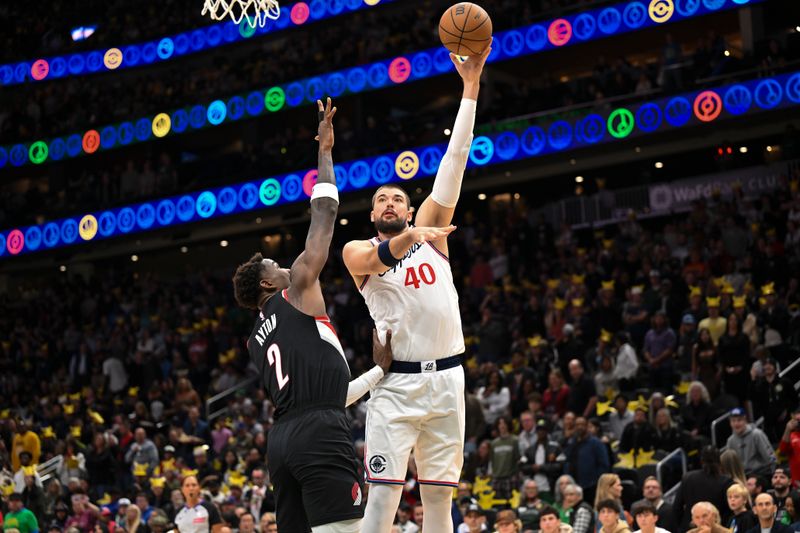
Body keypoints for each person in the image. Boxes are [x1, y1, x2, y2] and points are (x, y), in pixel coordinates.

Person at [341, 43, 492, 532]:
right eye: (380, 199)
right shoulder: (357, 252)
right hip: (396, 386)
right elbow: (378, 256)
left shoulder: (433, 237)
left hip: (448, 381)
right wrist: (411, 235)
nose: (389, 203)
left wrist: (470, 88)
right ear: (372, 214)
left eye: (398, 199)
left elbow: (454, 165)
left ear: (411, 208)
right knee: (382, 506)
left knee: (440, 507)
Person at [232, 99, 394, 532]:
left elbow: (325, 395)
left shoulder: (256, 340)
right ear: (268, 284)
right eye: (274, 266)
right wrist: (325, 153)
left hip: (283, 442)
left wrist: (378, 372)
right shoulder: (296, 289)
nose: (284, 265)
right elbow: (324, 215)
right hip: (320, 434)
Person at [673, 447, 734, 531]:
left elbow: (676, 507)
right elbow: (730, 511)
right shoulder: (726, 481)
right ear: (720, 461)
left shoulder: (688, 478)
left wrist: (681, 528)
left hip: (689, 527)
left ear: (701, 460)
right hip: (716, 529)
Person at [563, 417, 609, 506]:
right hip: (575, 485)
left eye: (582, 424)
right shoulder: (572, 443)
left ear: (587, 426)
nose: (580, 427)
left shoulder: (596, 443)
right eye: (577, 425)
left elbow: (604, 464)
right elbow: (567, 461)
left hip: (591, 487)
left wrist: (595, 482)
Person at [725, 408, 776, 479]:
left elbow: (770, 457)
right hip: (742, 477)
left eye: (739, 420)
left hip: (760, 474)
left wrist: (773, 474)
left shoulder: (757, 434)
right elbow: (730, 463)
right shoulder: (730, 441)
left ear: (745, 420)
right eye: (733, 421)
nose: (736, 424)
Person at [777, 407, 800, 489]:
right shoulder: (791, 436)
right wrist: (787, 429)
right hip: (797, 483)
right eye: (797, 420)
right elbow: (782, 452)